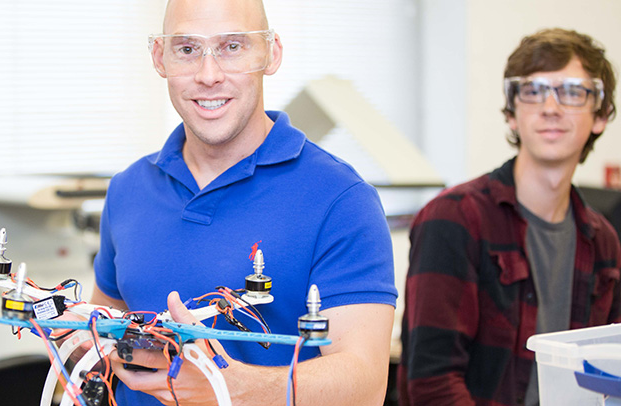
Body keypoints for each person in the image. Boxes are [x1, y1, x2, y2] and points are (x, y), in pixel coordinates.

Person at [89, 0, 398, 405]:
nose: (208, 75)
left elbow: (365, 385)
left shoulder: (341, 200)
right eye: (186, 49)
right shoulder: (128, 189)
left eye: (232, 47)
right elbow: (99, 330)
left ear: (271, 53)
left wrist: (228, 388)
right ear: (159, 57)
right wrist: (72, 336)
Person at [398, 28, 621, 406]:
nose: (550, 107)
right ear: (512, 115)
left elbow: (607, 378)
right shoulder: (454, 219)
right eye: (533, 91)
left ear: (600, 116)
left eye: (571, 91)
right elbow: (432, 386)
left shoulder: (603, 241)